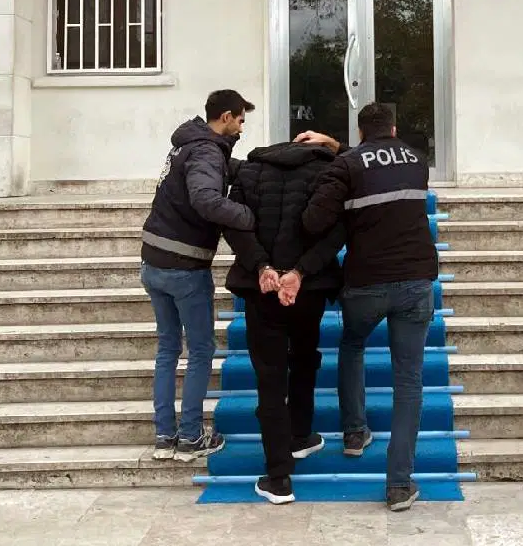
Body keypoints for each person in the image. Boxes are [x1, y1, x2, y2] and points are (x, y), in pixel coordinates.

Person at [301, 103, 438, 513]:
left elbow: (313, 220)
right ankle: (399, 485)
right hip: (415, 281)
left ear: (361, 133)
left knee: (352, 345)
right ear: (394, 129)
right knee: (409, 383)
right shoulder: (417, 160)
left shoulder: (347, 166)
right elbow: (380, 165)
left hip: (365, 282)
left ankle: (354, 432)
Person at [221, 135, 347, 505]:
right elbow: (339, 230)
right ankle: (301, 434)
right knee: (305, 356)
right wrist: (300, 272)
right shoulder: (328, 170)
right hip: (308, 288)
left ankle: (278, 477)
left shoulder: (249, 171)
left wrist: (263, 266)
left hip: (261, 288)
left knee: (270, 378)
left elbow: (234, 225)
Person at [140, 90, 256, 463]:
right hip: (183, 265)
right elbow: (206, 198)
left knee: (168, 348)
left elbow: (220, 169)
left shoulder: (189, 144)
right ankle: (190, 436)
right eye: (240, 120)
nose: (242, 128)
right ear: (226, 117)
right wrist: (248, 217)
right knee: (202, 349)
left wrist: (259, 167)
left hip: (153, 260)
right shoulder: (206, 151)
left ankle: (164, 437)